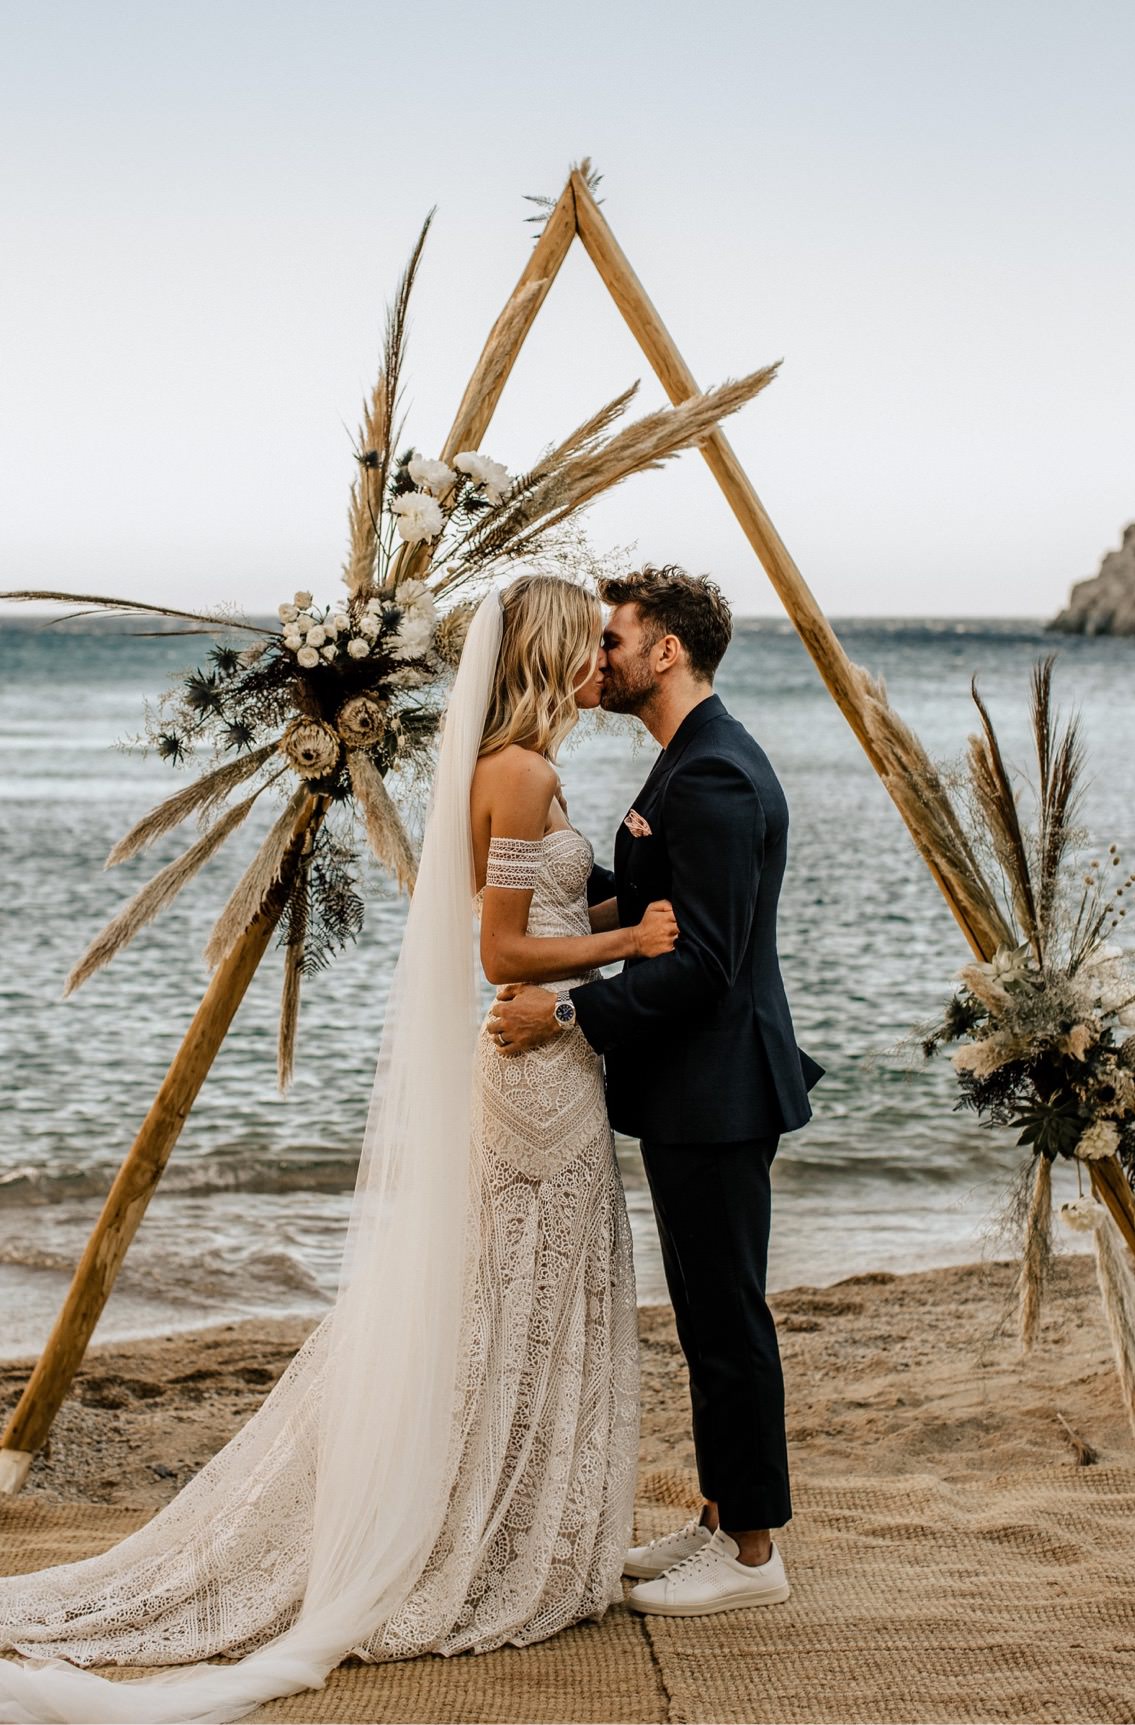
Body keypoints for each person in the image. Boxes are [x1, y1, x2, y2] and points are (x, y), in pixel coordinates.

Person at [0, 575, 676, 1724]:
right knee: (516, 1296)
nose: (593, 666)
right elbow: (504, 953)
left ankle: (508, 1519)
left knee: (522, 1299)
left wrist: (614, 914)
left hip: (552, 1075)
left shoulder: (508, 770)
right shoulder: (519, 775)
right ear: (552, 651)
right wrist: (632, 933)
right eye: (584, 646)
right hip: (533, 1078)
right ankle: (488, 1536)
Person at [489, 564, 825, 1619]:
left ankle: (755, 1555)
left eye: (615, 639)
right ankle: (722, 1516)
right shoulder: (685, 761)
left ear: (664, 651)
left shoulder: (714, 774)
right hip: (695, 1088)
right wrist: (544, 880)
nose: (600, 658)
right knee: (703, 1310)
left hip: (719, 1089)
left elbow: (704, 963)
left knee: (725, 1317)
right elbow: (644, 905)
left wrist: (569, 1012)